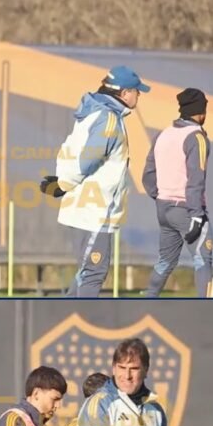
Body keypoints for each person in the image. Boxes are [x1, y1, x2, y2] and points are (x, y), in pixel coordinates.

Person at [39, 65, 150, 298]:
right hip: (95, 210)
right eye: (136, 91)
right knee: (93, 273)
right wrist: (63, 184)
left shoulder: (93, 114)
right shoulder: (108, 119)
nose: (139, 95)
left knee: (86, 272)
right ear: (124, 93)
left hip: (85, 205)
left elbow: (67, 150)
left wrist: (63, 183)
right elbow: (88, 159)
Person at [142, 88, 213, 298]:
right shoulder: (196, 137)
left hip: (164, 208)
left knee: (165, 261)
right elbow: (196, 178)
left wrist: (161, 197)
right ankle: (205, 315)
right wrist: (196, 215)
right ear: (201, 112)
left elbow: (148, 173)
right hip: (186, 210)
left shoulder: (163, 134)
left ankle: (148, 300)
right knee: (203, 258)